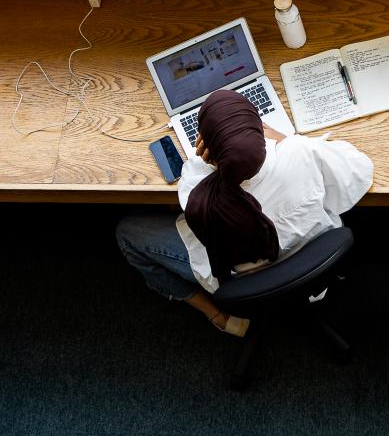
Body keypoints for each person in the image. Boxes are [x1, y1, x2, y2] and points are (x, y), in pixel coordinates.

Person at [116, 89, 373, 337]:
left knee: (127, 233)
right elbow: (361, 170)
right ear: (259, 129)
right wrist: (284, 139)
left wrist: (214, 163)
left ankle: (219, 316)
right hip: (312, 263)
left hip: (244, 283)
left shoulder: (196, 189)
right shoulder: (302, 152)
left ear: (208, 147)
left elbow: (201, 189)